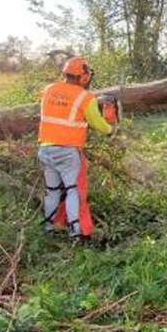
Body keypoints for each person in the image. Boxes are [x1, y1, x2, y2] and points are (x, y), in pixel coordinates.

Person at [37, 56, 116, 240]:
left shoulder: (49, 89)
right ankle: (76, 231)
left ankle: (49, 227)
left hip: (45, 150)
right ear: (84, 77)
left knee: (52, 190)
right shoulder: (85, 97)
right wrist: (111, 129)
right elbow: (98, 124)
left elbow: (60, 108)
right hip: (67, 151)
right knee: (73, 190)